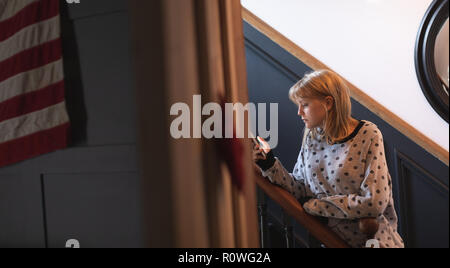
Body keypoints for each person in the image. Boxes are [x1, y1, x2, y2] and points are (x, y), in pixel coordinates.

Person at [253, 70, 404, 248]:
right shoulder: (311, 138)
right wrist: (269, 163)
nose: (299, 112)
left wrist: (317, 207)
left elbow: (374, 203)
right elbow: (300, 189)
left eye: (305, 104)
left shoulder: (368, 134)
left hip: (376, 243)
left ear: (328, 103)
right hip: (331, 240)